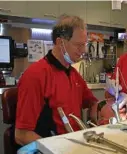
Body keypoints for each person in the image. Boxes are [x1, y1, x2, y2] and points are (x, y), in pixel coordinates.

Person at [15, 15, 98, 147]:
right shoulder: (36, 76)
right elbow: (22, 135)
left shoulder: (73, 74)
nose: (83, 51)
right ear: (60, 43)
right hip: (48, 149)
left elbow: (91, 102)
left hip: (74, 143)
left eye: (84, 45)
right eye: (78, 45)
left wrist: (99, 108)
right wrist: (56, 147)